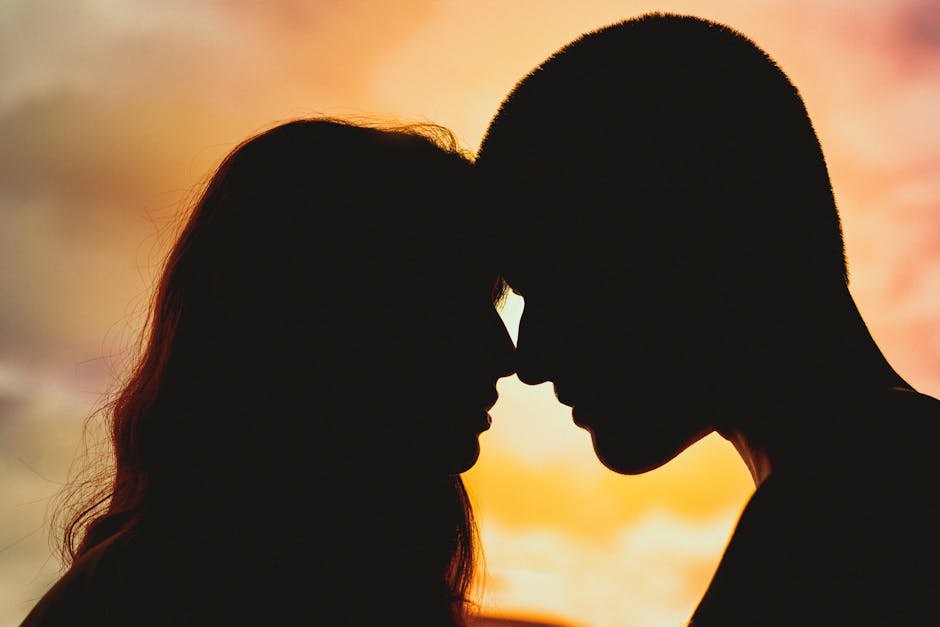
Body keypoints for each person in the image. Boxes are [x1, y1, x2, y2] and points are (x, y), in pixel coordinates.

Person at [476, 13, 938, 625]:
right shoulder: (873, 487)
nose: (528, 361)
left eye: (556, 287)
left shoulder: (843, 523)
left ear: (688, 240)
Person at [23, 119, 514, 626]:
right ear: (323, 315)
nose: (506, 354)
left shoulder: (323, 578)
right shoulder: (153, 597)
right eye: (455, 302)